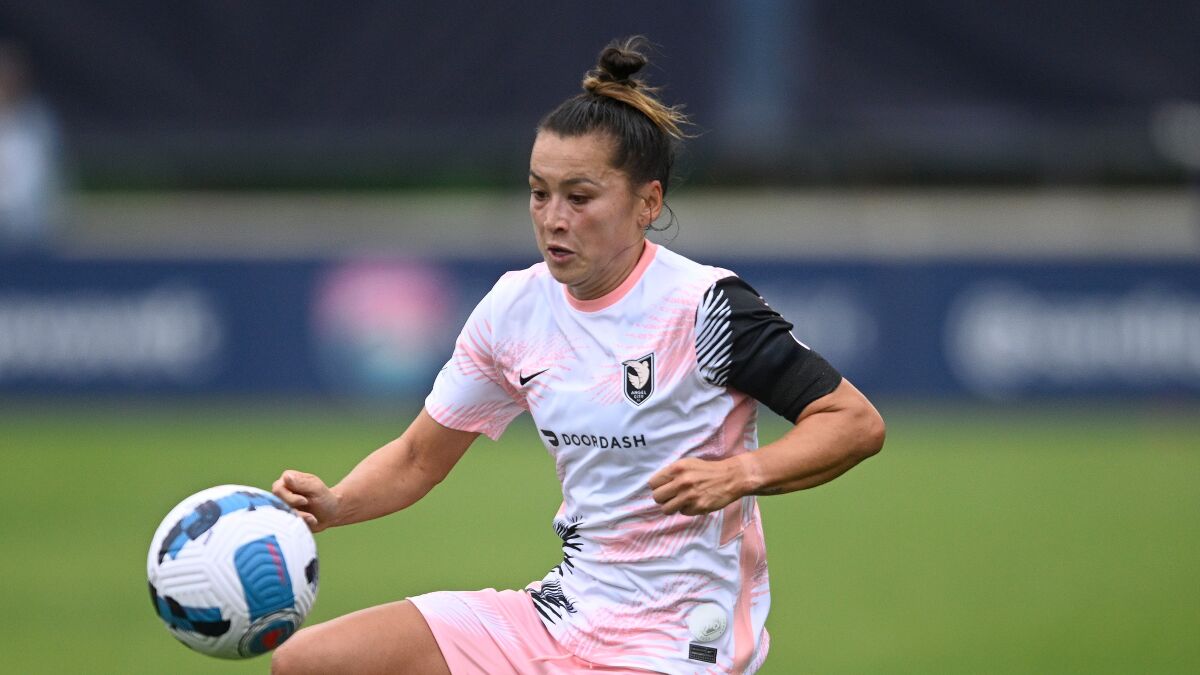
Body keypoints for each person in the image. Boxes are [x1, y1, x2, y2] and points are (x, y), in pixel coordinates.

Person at [271, 36, 885, 675]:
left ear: (647, 203)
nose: (553, 218)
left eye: (580, 197)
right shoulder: (514, 309)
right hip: (566, 611)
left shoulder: (705, 307)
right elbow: (419, 456)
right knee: (311, 663)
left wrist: (738, 475)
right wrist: (337, 504)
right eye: (539, 193)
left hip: (682, 639)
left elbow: (854, 422)